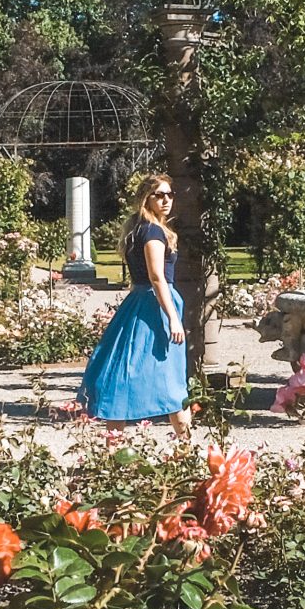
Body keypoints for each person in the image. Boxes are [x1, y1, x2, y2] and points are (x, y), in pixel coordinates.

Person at [78, 174, 191, 429]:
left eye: (169, 195)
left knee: (126, 371)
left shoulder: (139, 228)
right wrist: (173, 317)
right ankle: (186, 447)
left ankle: (114, 446)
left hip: (140, 303)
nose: (166, 200)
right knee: (169, 378)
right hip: (156, 305)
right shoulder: (152, 232)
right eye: (159, 195)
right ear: (146, 198)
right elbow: (156, 277)